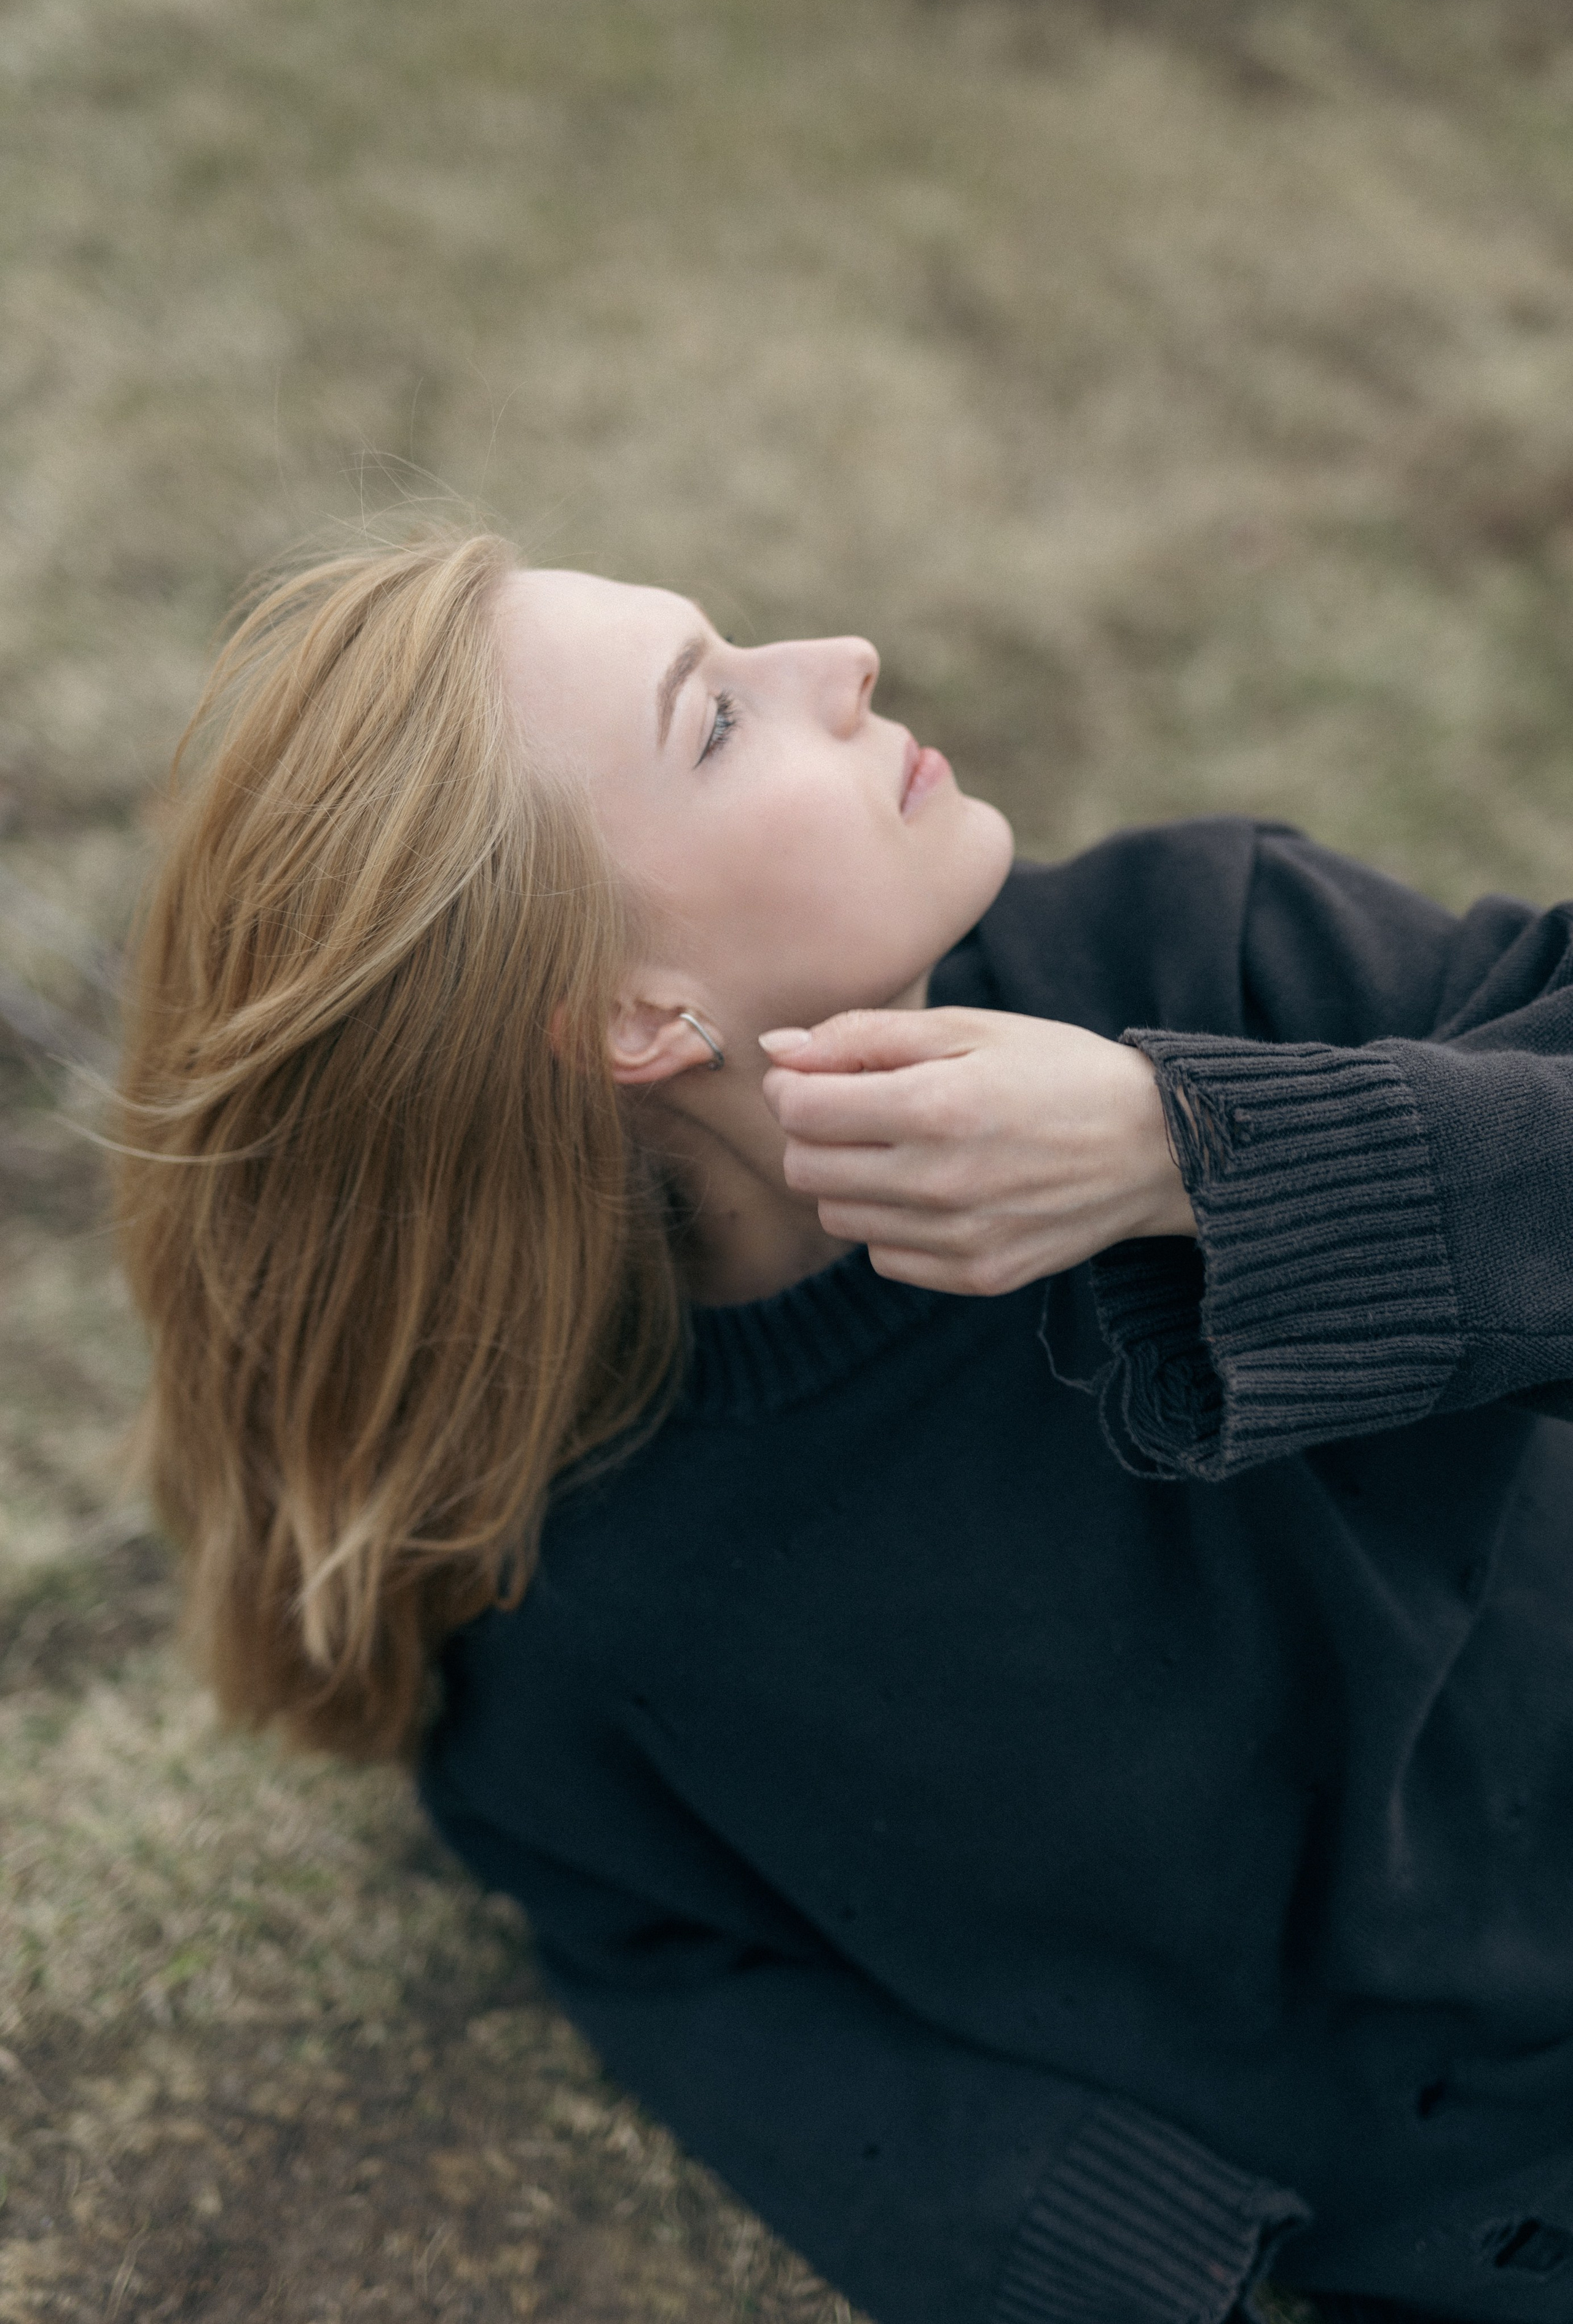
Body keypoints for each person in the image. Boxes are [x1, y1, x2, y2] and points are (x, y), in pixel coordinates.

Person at [113, 530, 1573, 2324]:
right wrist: (1067, 2228)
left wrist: (1190, 1156)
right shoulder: (578, 1568)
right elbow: (644, 1937)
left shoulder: (1211, 947)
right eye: (716, 718)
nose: (845, 654)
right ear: (633, 1017)